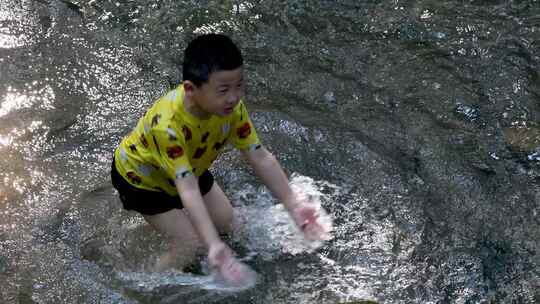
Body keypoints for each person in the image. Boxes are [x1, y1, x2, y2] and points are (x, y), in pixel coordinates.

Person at [110, 34, 331, 286]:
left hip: (190, 165)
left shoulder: (230, 109)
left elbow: (259, 156)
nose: (234, 97)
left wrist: (293, 204)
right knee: (191, 245)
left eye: (239, 85)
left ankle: (177, 226)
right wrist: (213, 244)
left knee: (229, 222)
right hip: (143, 181)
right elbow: (188, 188)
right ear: (191, 90)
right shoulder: (168, 126)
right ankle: (144, 284)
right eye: (224, 89)